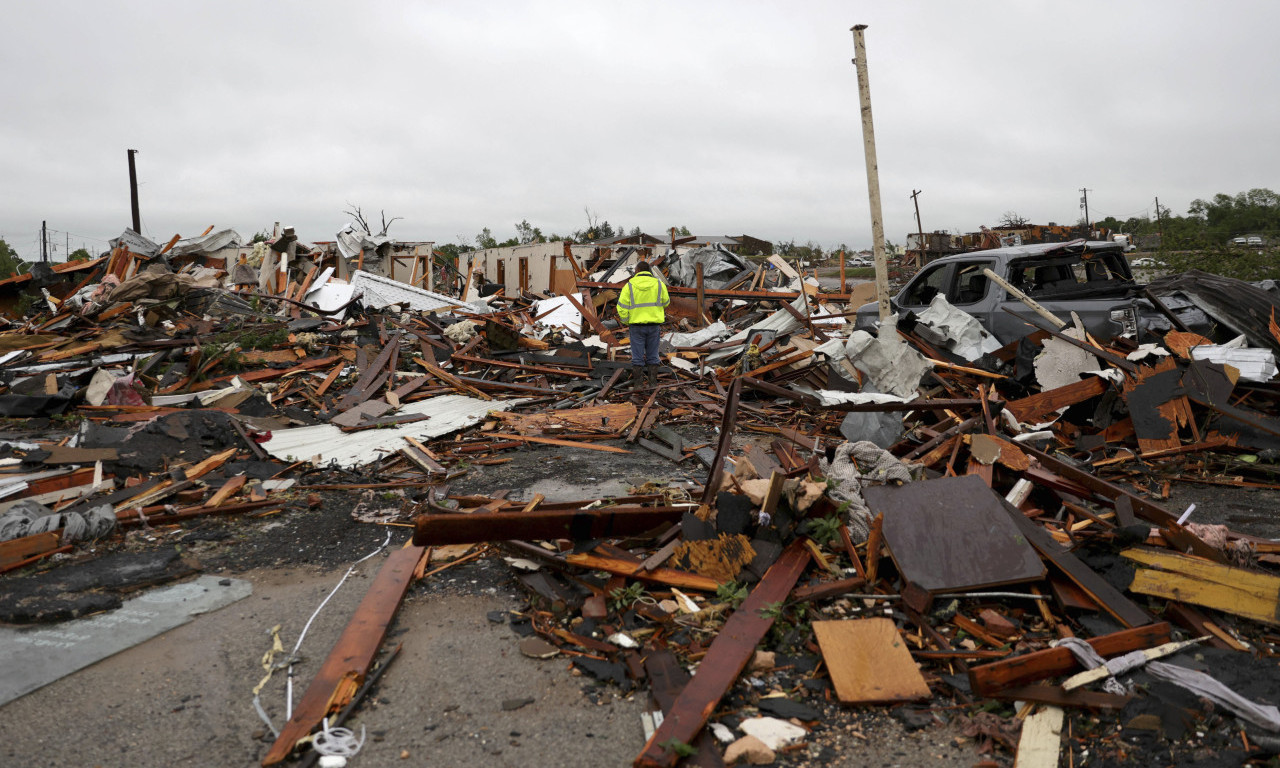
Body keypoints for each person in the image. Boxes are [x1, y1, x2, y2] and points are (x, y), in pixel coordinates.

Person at [616, 260, 670, 388]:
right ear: (649, 271)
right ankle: (652, 384)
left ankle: (638, 386)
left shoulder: (629, 285)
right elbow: (666, 302)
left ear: (637, 271)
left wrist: (626, 321)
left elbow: (621, 307)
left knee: (637, 357)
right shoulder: (659, 284)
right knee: (653, 355)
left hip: (636, 326)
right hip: (654, 326)